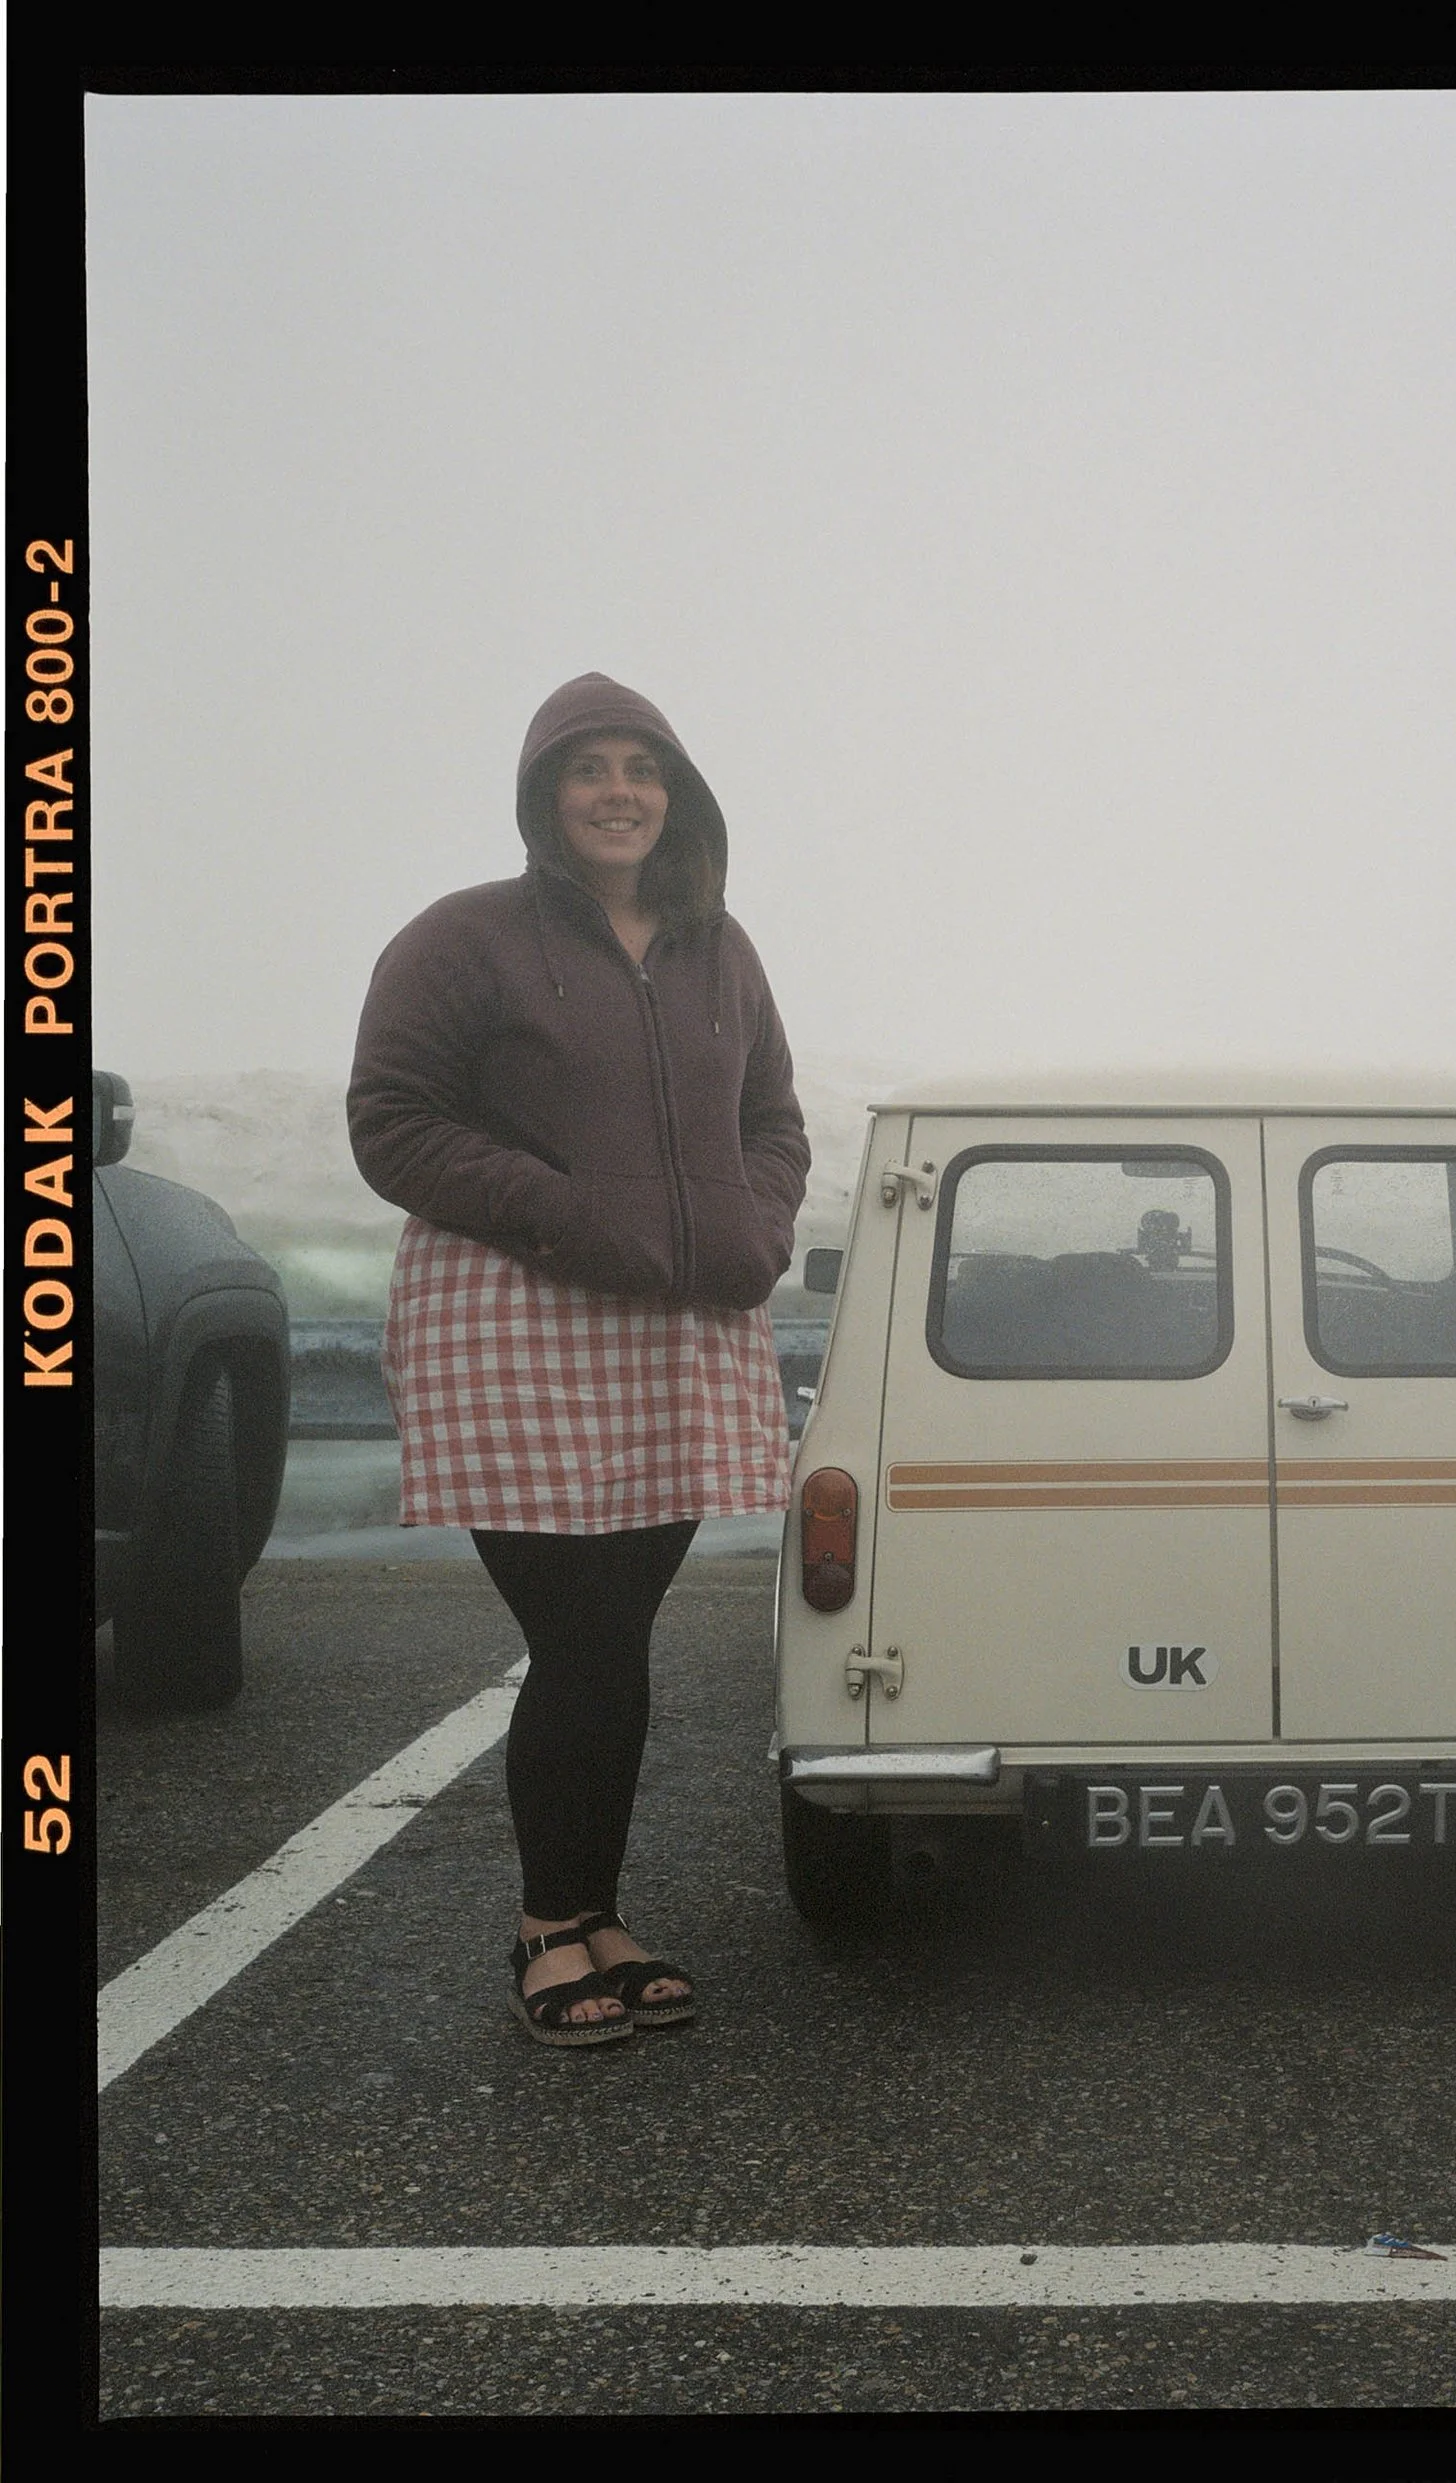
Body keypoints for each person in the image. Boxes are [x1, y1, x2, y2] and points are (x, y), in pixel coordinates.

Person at [349, 674, 808, 2045]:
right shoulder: (464, 937)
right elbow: (393, 1119)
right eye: (588, 768)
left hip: (683, 1320)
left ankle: (593, 1914)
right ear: (545, 795)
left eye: (641, 767)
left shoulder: (722, 948)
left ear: (677, 792)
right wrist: (568, 1211)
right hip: (518, 1307)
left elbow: (774, 1120)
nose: (619, 792)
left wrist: (754, 1228)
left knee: (617, 1636)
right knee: (582, 1636)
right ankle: (552, 1926)